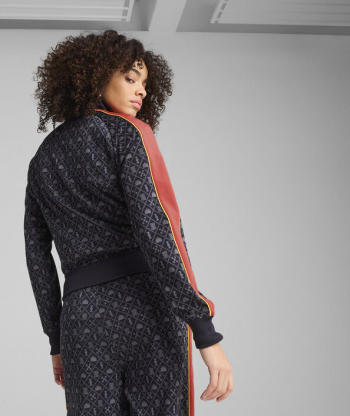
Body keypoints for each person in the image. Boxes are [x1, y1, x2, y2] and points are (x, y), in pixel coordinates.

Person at [24, 29, 233, 415]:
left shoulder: (41, 160)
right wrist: (204, 330)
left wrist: (57, 339)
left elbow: (37, 259)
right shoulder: (129, 133)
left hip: (81, 320)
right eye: (130, 77)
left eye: (145, 83)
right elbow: (158, 230)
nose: (141, 91)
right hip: (146, 308)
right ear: (97, 76)